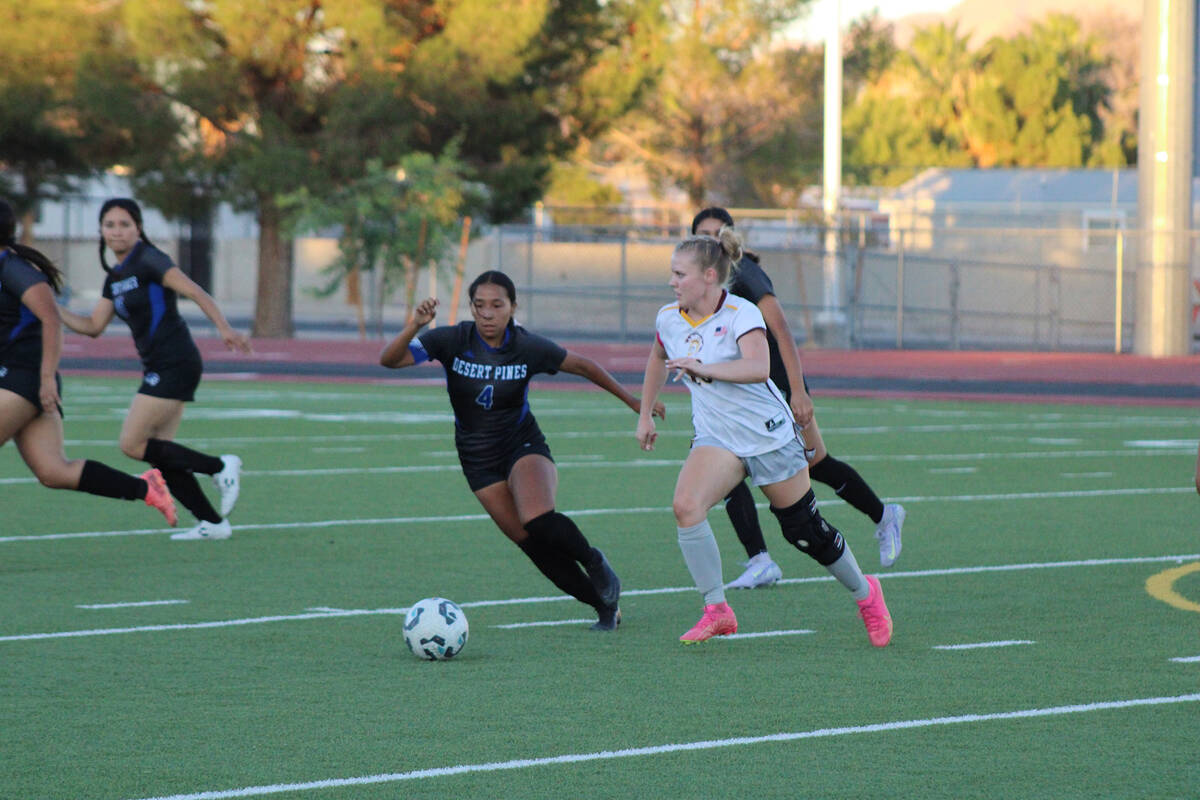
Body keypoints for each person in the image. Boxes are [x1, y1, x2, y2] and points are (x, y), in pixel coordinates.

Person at [636, 227, 892, 646]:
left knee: (804, 532)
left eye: (680, 274)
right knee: (686, 506)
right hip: (718, 438)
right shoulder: (668, 317)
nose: (672, 282)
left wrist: (705, 367)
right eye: (672, 273)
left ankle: (867, 595)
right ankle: (717, 609)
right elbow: (657, 357)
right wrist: (645, 413)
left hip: (769, 436)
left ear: (709, 277)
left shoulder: (741, 313)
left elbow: (757, 366)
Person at [379, 270, 664, 631]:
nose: (487, 314)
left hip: (521, 444)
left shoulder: (528, 346)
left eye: (497, 305)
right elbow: (390, 359)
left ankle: (595, 562)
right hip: (477, 459)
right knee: (533, 546)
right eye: (479, 306)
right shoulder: (452, 339)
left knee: (537, 518)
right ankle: (604, 607)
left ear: (513, 307)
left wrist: (636, 403)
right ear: (471, 308)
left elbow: (585, 366)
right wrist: (414, 324)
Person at [691, 207, 905, 590]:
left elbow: (782, 329)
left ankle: (884, 514)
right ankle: (760, 560)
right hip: (744, 398)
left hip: (776, 389)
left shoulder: (744, 272)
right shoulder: (699, 285)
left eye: (716, 232)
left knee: (816, 462)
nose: (710, 240)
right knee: (728, 467)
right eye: (702, 234)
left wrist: (799, 391)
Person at [58, 198, 249, 541]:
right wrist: (49, 307)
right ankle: (213, 524)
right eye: (110, 225)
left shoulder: (150, 259)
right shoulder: (114, 277)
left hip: (175, 361)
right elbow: (92, 326)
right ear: (101, 231)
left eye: (124, 224)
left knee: (132, 444)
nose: (117, 231)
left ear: (138, 228)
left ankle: (220, 466)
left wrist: (223, 327)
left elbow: (196, 291)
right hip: (159, 364)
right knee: (162, 454)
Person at [0, 198, 177, 525]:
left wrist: (46, 378)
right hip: (16, 380)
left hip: (24, 381)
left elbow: (51, 320)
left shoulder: (14, 269)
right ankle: (145, 487)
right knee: (54, 472)